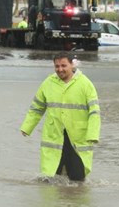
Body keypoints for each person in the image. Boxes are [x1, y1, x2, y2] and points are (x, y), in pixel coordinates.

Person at [19, 52, 101, 182]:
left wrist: (93, 135)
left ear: (71, 65)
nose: (60, 69)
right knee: (51, 179)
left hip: (77, 137)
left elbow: (94, 112)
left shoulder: (85, 84)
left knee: (77, 179)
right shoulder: (48, 83)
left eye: (64, 65)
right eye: (57, 66)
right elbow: (37, 107)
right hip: (54, 136)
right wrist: (27, 127)